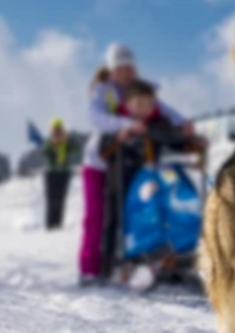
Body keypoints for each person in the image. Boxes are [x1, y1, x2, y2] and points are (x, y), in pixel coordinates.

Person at [78, 42, 193, 286]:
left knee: (132, 210)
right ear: (111, 69)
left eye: (129, 67)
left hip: (128, 160)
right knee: (98, 217)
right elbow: (96, 117)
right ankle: (90, 270)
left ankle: (133, 260)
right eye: (120, 67)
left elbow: (165, 111)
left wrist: (183, 125)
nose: (125, 71)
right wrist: (125, 125)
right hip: (100, 162)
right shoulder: (104, 91)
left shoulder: (140, 90)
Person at [44, 118, 76, 229]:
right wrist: (53, 144)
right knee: (51, 199)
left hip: (64, 173)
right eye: (54, 130)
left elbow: (76, 148)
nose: (57, 132)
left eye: (59, 129)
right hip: (51, 173)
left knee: (61, 199)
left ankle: (58, 224)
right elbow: (45, 152)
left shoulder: (66, 140)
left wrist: (67, 141)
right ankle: (49, 224)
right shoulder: (49, 141)